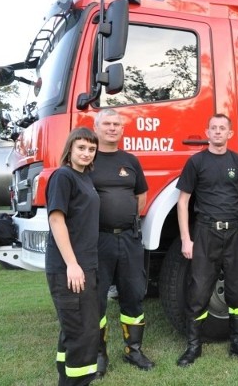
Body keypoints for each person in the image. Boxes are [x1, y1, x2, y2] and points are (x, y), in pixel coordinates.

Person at [175, 113, 238, 367]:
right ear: (207, 132)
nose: (218, 132)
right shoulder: (196, 162)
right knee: (199, 290)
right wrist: (185, 239)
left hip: (235, 233)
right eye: (214, 128)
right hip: (205, 232)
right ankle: (193, 347)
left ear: (230, 134)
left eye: (223, 128)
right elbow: (183, 202)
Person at [90, 109, 154, 376]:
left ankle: (134, 351)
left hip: (128, 238)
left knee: (134, 295)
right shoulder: (87, 159)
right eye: (107, 123)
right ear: (96, 127)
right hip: (98, 240)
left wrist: (126, 218)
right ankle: (99, 354)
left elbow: (141, 195)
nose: (112, 128)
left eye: (117, 124)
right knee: (97, 300)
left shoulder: (130, 160)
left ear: (122, 129)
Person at [45, 127, 100, 385]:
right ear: (70, 149)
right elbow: (57, 220)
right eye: (81, 147)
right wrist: (72, 265)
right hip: (70, 268)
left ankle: (65, 378)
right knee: (83, 332)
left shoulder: (84, 178)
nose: (87, 153)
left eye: (91, 149)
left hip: (85, 264)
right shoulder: (63, 177)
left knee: (73, 329)